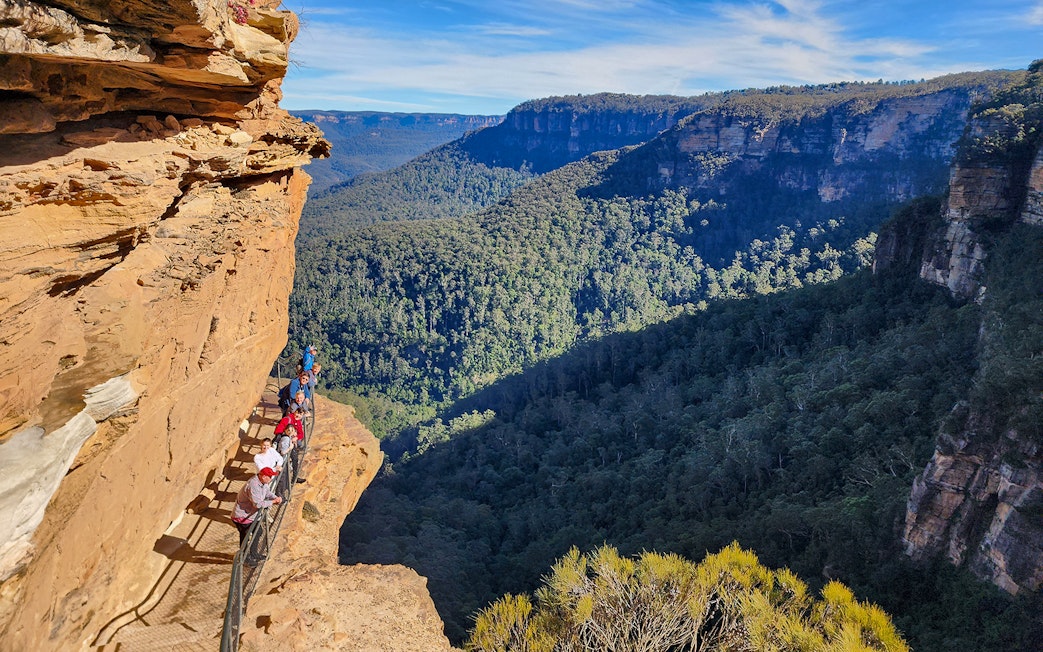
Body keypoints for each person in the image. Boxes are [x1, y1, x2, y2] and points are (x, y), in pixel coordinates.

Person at [231, 467, 282, 548]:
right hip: (243, 516)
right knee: (246, 537)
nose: (271, 478)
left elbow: (267, 492)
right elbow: (257, 504)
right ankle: (244, 557)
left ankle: (252, 554)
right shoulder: (253, 485)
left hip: (251, 515)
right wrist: (273, 502)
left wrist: (275, 498)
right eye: (269, 476)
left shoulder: (263, 482)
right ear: (263, 476)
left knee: (257, 532)